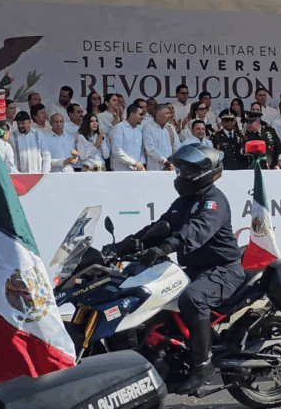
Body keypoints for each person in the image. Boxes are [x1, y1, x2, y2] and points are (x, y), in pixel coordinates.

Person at [105, 143, 244, 394]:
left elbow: (196, 231)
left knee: (194, 298)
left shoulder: (213, 201)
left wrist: (165, 248)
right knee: (152, 294)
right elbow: (161, 226)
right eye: (180, 170)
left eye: (187, 171)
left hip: (224, 270)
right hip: (196, 270)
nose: (181, 175)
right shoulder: (184, 202)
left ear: (204, 172)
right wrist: (124, 246)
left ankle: (203, 365)